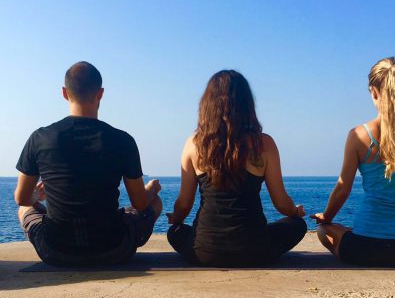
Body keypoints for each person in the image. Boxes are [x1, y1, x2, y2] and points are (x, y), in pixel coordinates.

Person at [14, 61, 162, 266]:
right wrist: (151, 189)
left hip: (55, 251)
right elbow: (140, 204)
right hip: (114, 249)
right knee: (156, 203)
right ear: (100, 93)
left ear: (65, 93)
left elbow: (21, 198)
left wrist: (37, 196)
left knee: (24, 209)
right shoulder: (122, 140)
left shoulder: (40, 138)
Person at [311, 57, 395, 267]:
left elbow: (342, 189)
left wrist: (326, 217)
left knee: (324, 230)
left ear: (373, 91)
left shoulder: (358, 135)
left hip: (361, 249)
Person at [166, 70, 307, 267]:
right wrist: (295, 211)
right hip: (256, 251)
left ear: (207, 104)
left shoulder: (194, 144)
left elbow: (183, 204)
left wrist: (177, 219)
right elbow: (281, 203)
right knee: (298, 225)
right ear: (247, 104)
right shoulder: (264, 144)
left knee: (175, 233)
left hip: (204, 251)